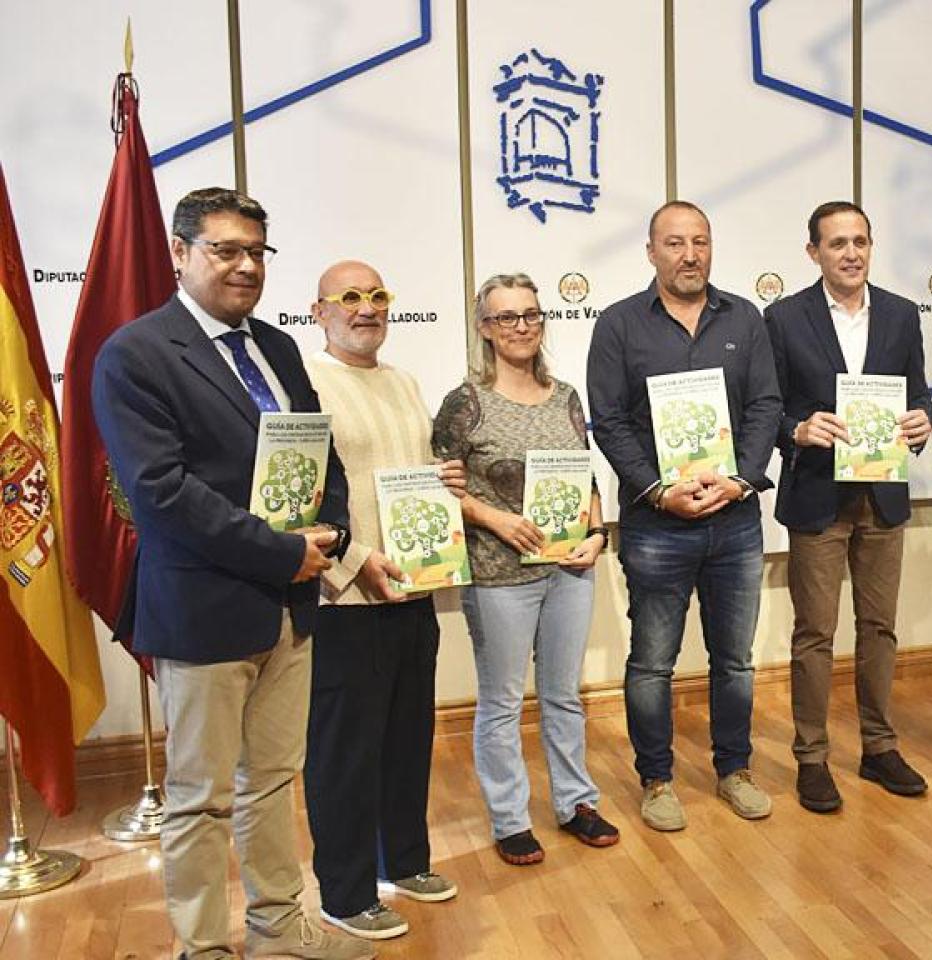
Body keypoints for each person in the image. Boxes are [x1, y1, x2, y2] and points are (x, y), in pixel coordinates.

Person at [92, 188, 371, 960]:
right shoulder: (136, 354)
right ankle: (204, 946)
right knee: (202, 799)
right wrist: (285, 552)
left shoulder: (278, 350)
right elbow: (162, 494)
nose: (245, 265)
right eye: (225, 249)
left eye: (256, 251)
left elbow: (322, 456)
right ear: (181, 253)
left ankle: (279, 927)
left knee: (275, 781)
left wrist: (334, 528)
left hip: (292, 603)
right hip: (203, 610)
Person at [587, 202, 783, 830]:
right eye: (675, 243)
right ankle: (657, 779)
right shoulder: (618, 324)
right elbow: (610, 420)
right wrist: (654, 491)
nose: (689, 255)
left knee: (735, 659)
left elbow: (765, 405)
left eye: (700, 242)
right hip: (656, 523)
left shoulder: (744, 318)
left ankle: (735, 769)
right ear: (651, 251)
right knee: (652, 661)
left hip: (734, 519)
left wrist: (741, 481)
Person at [432, 273, 619, 864]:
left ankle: (575, 803)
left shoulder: (566, 395)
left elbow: (584, 476)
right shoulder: (465, 403)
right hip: (496, 573)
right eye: (506, 318)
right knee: (503, 701)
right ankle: (511, 818)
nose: (522, 327)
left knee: (564, 695)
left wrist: (595, 533)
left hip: (568, 568)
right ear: (485, 329)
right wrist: (496, 519)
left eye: (531, 315)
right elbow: (438, 488)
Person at [302, 261, 464, 940]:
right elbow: (304, 494)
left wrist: (442, 478)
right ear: (320, 312)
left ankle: (405, 860)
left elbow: (402, 475)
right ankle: (343, 892)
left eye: (376, 297)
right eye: (349, 298)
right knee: (344, 750)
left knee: (407, 736)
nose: (366, 309)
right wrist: (351, 561)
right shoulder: (306, 384)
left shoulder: (403, 381)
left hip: (410, 587)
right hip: (345, 599)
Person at [765, 201, 932, 813]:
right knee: (815, 633)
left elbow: (917, 394)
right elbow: (769, 406)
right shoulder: (783, 318)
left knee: (880, 628)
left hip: (882, 496)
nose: (851, 253)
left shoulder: (902, 314)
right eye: (837, 243)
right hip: (817, 494)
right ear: (814, 252)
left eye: (860, 241)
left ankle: (879, 748)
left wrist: (922, 422)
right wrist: (797, 430)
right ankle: (811, 757)